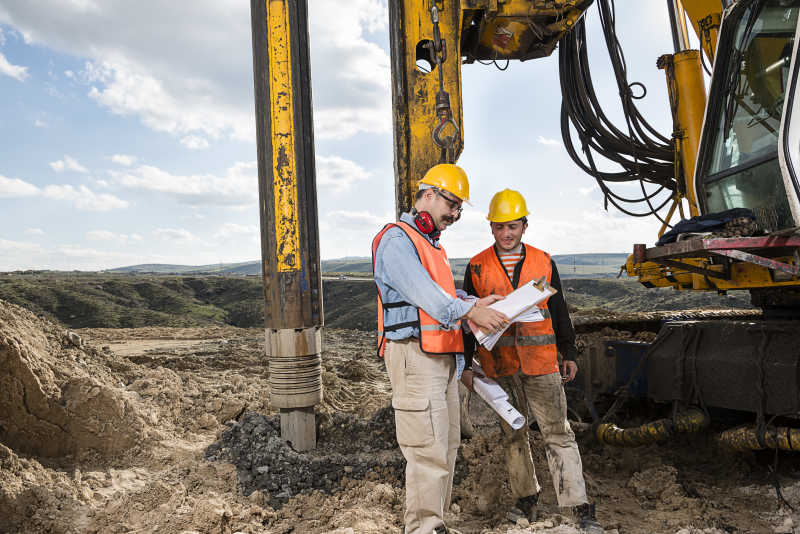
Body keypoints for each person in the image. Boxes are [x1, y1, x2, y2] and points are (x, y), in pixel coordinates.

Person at [372, 163, 508, 534]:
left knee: (445, 449)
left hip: (440, 358)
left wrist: (477, 301)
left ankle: (436, 523)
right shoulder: (397, 241)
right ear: (427, 194)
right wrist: (472, 310)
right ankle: (423, 528)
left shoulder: (432, 246)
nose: (455, 214)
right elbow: (432, 299)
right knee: (427, 452)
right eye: (452, 204)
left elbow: (447, 297)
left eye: (460, 208)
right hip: (415, 357)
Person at [461, 189, 603, 534]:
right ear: (491, 228)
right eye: (499, 227)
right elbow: (467, 318)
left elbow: (558, 310)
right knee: (513, 434)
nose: (506, 234)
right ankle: (526, 499)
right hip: (499, 365)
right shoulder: (477, 266)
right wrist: (466, 363)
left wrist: (568, 353)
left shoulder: (543, 261)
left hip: (541, 364)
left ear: (524, 225)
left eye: (512, 226)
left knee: (558, 432)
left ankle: (578, 506)